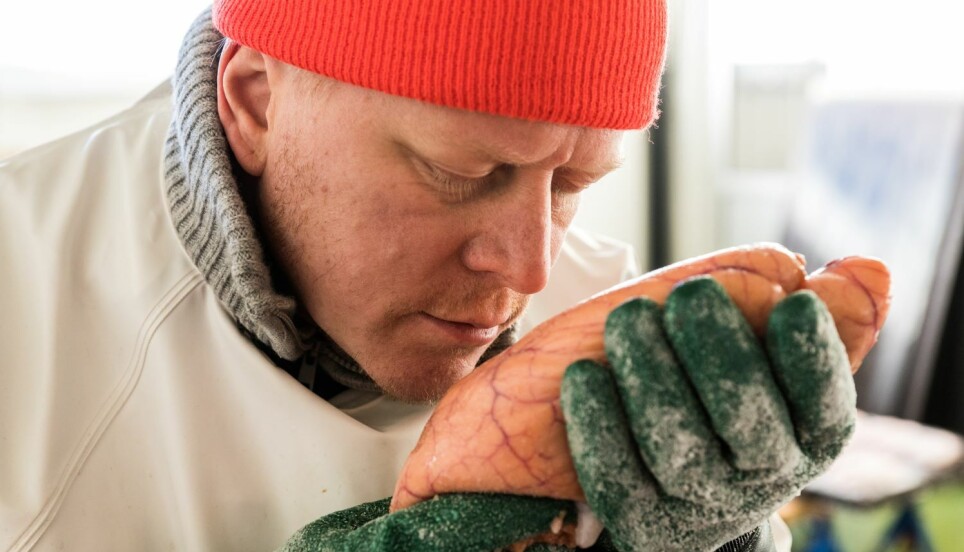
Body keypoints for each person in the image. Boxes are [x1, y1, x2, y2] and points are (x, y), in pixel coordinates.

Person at [0, 1, 857, 550]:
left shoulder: (614, 340)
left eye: (572, 186)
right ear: (257, 100)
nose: (530, 266)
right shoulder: (21, 296)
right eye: (460, 172)